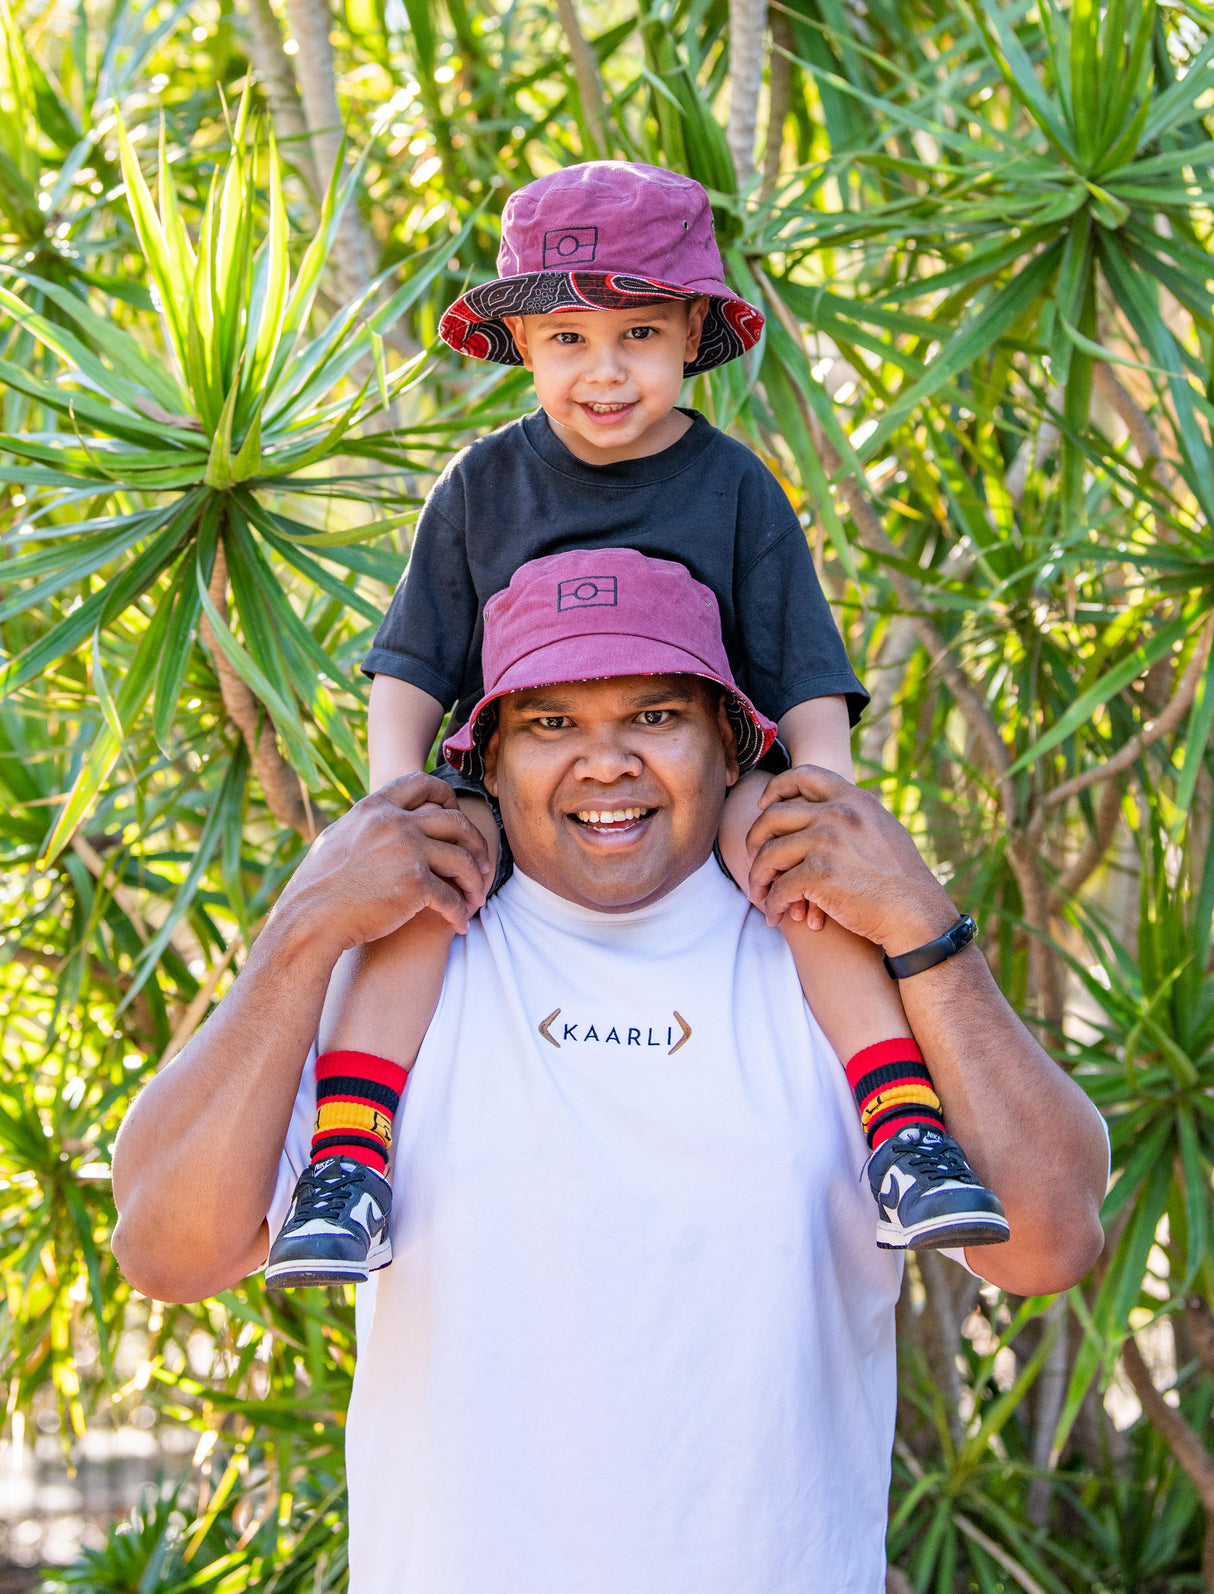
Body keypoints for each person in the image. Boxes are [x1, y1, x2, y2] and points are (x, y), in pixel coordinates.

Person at [110, 550, 1108, 1594]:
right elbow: (169, 1250)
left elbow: (1047, 1240)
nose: (605, 762)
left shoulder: (831, 961)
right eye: (549, 723)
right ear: (484, 761)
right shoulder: (394, 977)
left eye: (653, 716)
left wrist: (919, 923)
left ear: (729, 744)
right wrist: (302, 929)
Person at [265, 160, 1007, 1286]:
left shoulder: (736, 486)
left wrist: (822, 787)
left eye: (638, 335)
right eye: (566, 339)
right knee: (420, 885)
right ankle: (348, 1157)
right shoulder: (479, 487)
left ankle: (901, 1128)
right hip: (520, 769)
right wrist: (392, 787)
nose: (603, 371)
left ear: (691, 332)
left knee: (804, 872)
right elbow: (414, 655)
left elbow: (800, 658)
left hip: (698, 768)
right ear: (520, 344)